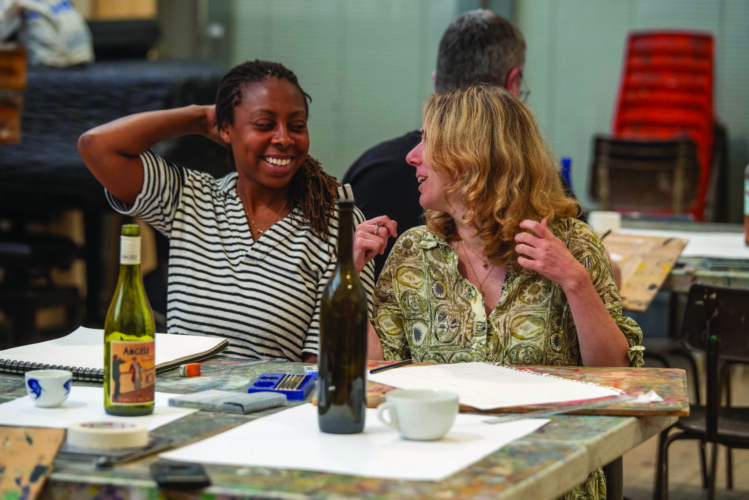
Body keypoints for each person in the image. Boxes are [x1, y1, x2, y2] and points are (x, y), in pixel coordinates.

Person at [358, 85, 644, 500]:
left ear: (469, 159)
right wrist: (346, 277)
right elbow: (378, 371)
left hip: (552, 474)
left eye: (427, 142)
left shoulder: (572, 245)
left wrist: (574, 281)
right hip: (440, 471)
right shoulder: (414, 252)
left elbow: (615, 375)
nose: (411, 156)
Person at [78, 60, 375, 363]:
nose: (284, 138)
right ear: (225, 130)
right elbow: (96, 146)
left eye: (297, 126)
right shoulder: (189, 197)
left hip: (278, 394)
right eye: (264, 124)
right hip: (180, 390)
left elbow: (325, 364)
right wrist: (199, 118)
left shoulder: (336, 223)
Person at [343, 10, 537, 281]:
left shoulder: (369, 170)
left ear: (436, 82)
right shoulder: (410, 247)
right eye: (426, 138)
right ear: (512, 84)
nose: (412, 157)